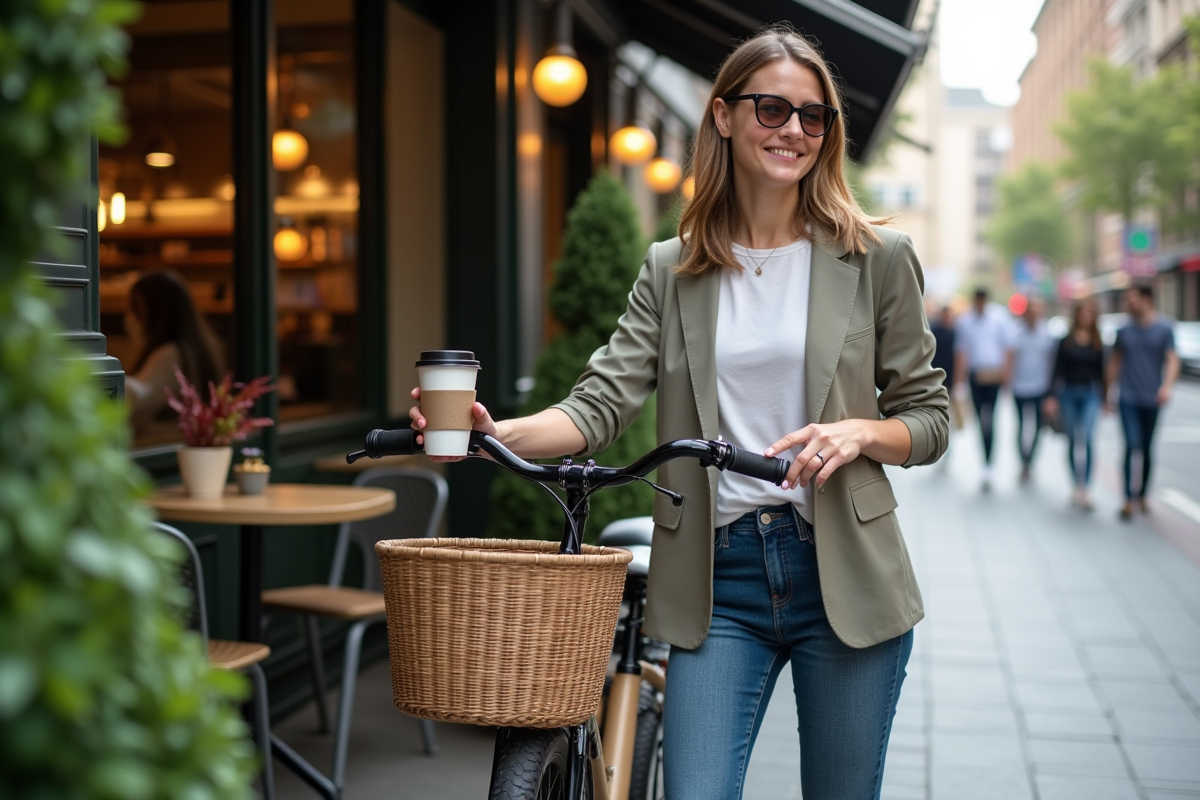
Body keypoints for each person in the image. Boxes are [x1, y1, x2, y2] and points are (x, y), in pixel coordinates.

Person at [410, 26, 947, 799]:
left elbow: (929, 418)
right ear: (723, 115)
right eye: (771, 109)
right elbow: (599, 404)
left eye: (813, 115)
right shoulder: (673, 268)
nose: (793, 130)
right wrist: (494, 435)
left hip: (846, 573)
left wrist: (860, 430)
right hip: (716, 576)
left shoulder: (875, 258)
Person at [1107, 284, 1179, 520]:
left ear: (1146, 299)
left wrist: (1166, 387)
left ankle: (1143, 495)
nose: (1127, 304)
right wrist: (1108, 392)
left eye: (1131, 299)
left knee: (1147, 449)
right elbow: (1115, 362)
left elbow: (1172, 359)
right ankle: (1128, 498)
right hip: (1128, 396)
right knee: (1131, 445)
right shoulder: (1124, 330)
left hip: (1152, 397)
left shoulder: (1164, 328)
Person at [123, 270, 223, 436]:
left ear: (155, 313)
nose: (129, 319)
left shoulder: (169, 354)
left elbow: (138, 396)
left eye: (135, 310)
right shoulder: (196, 347)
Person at [1044, 300, 1107, 510]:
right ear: (1077, 315)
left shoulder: (1098, 341)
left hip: (1090, 393)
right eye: (1083, 313)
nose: (1086, 316)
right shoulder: (1066, 341)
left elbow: (1102, 373)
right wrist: (1052, 396)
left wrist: (1106, 399)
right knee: (1072, 439)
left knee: (1088, 439)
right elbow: (1057, 369)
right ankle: (1074, 484)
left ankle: (1086, 487)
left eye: (1090, 313)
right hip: (1069, 393)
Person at [953, 288, 1014, 491]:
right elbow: (962, 352)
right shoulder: (965, 321)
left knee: (991, 419)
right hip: (976, 376)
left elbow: (1007, 348)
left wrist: (1006, 374)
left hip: (994, 376)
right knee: (981, 420)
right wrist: (959, 382)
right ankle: (985, 463)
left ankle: (990, 463)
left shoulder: (999, 318)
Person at [1008, 298, 1058, 482]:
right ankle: (1023, 461)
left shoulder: (1047, 335)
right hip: (1019, 386)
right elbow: (1010, 358)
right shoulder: (1016, 332)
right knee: (1021, 426)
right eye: (1031, 311)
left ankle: (1030, 461)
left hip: (1040, 388)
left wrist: (1052, 391)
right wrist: (1008, 381)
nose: (1034, 315)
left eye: (1037, 311)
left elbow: (1053, 362)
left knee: (1038, 428)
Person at [929, 305, 959, 434]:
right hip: (937, 372)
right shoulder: (935, 330)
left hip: (950, 374)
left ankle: (947, 427)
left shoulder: (955, 332)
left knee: (949, 403)